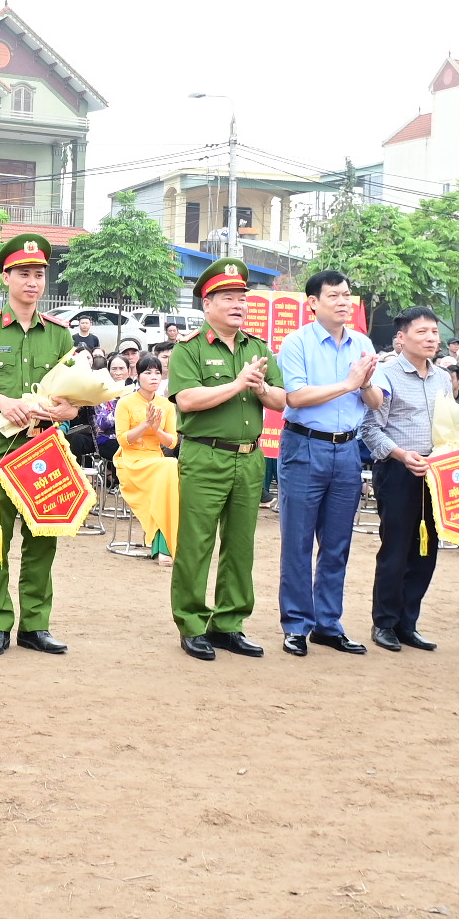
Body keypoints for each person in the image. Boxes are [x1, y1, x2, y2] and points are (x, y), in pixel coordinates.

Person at [0, 234, 80, 656]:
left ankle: (35, 625)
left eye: (39, 274)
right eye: (24, 273)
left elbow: (73, 397)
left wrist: (65, 411)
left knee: (45, 536)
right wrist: (2, 400)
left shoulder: (59, 334)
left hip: (45, 446)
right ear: (6, 277)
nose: (33, 282)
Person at [165, 259, 288, 661]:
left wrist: (261, 386)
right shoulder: (190, 349)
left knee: (240, 545)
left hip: (249, 458)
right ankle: (192, 623)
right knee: (196, 543)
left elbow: (280, 401)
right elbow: (187, 400)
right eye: (229, 298)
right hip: (205, 454)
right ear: (207, 304)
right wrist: (238, 384)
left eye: (242, 298)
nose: (239, 305)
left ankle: (229, 623)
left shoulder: (258, 348)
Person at [274, 270, 381, 657]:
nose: (343, 302)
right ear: (313, 302)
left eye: (347, 295)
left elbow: (376, 403)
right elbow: (296, 397)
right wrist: (349, 384)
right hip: (305, 447)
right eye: (334, 295)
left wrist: (365, 383)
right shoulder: (296, 343)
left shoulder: (362, 343)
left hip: (348, 451)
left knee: (337, 544)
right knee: (298, 542)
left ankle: (328, 624)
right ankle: (296, 625)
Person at [359, 306, 453, 652]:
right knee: (396, 550)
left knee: (426, 551)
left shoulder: (443, 377)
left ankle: (407, 623)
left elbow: (450, 423)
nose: (431, 339)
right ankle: (383, 623)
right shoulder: (386, 375)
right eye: (422, 332)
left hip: (436, 473)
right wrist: (401, 454)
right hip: (398, 471)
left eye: (434, 332)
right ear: (402, 338)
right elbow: (370, 428)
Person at [114, 353, 179, 566]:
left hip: (156, 461)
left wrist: (156, 429)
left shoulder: (167, 405)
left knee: (170, 467)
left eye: (158, 373)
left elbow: (172, 442)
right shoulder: (125, 403)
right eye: (148, 373)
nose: (154, 377)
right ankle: (164, 547)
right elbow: (123, 440)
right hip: (131, 461)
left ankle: (165, 545)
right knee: (169, 468)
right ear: (137, 375)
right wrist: (145, 425)